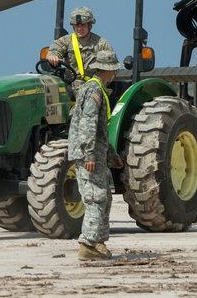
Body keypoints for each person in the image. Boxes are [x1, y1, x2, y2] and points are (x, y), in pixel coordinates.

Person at [67, 50, 124, 261]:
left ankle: (98, 242)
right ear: (110, 69)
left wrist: (112, 154)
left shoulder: (97, 88)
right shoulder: (94, 90)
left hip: (97, 153)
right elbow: (88, 125)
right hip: (89, 154)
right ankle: (88, 244)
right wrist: (90, 154)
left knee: (104, 198)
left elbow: (100, 130)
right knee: (95, 198)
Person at [46, 6, 115, 91]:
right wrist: (53, 58)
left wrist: (100, 80)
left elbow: (113, 67)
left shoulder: (102, 44)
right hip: (71, 86)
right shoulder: (66, 41)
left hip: (94, 86)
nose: (79, 28)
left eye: (83, 25)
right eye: (77, 25)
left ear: (90, 25)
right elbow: (54, 50)